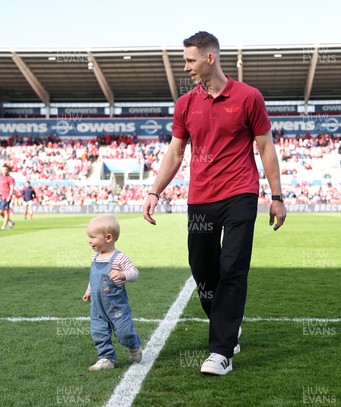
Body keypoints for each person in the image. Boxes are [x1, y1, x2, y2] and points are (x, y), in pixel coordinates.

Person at [142, 31, 287, 376]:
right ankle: (227, 324)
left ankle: (221, 352)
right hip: (201, 198)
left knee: (233, 268)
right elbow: (175, 153)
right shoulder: (185, 104)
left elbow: (265, 147)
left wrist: (277, 197)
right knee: (202, 269)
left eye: (190, 60)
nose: (186, 67)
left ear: (210, 59)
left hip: (241, 194)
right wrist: (154, 191)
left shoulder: (249, 97)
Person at [82, 214, 142, 371]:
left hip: (117, 307)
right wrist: (89, 291)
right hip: (98, 307)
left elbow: (134, 273)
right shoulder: (95, 257)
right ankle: (106, 358)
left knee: (124, 333)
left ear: (108, 237)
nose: (89, 240)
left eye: (93, 237)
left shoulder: (119, 258)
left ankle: (134, 345)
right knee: (99, 333)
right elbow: (94, 278)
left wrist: (123, 275)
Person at [0, 164, 15, 231]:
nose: (4, 171)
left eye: (5, 170)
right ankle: (10, 222)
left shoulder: (10, 178)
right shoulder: (1, 178)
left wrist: (9, 196)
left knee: (5, 212)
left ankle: (3, 227)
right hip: (2, 196)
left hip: (6, 196)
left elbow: (11, 188)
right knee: (0, 212)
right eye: (3, 170)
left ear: (8, 171)